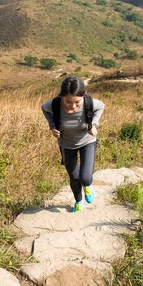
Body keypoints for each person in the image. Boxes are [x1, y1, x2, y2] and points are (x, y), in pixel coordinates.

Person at [41, 77, 104, 213]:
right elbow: (44, 108)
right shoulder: (54, 104)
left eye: (77, 102)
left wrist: (94, 124)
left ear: (83, 96)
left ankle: (87, 186)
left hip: (87, 142)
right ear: (62, 96)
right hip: (67, 144)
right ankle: (78, 200)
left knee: (85, 178)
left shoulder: (90, 102)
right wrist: (52, 126)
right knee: (74, 177)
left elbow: (101, 107)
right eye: (68, 101)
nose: (73, 106)